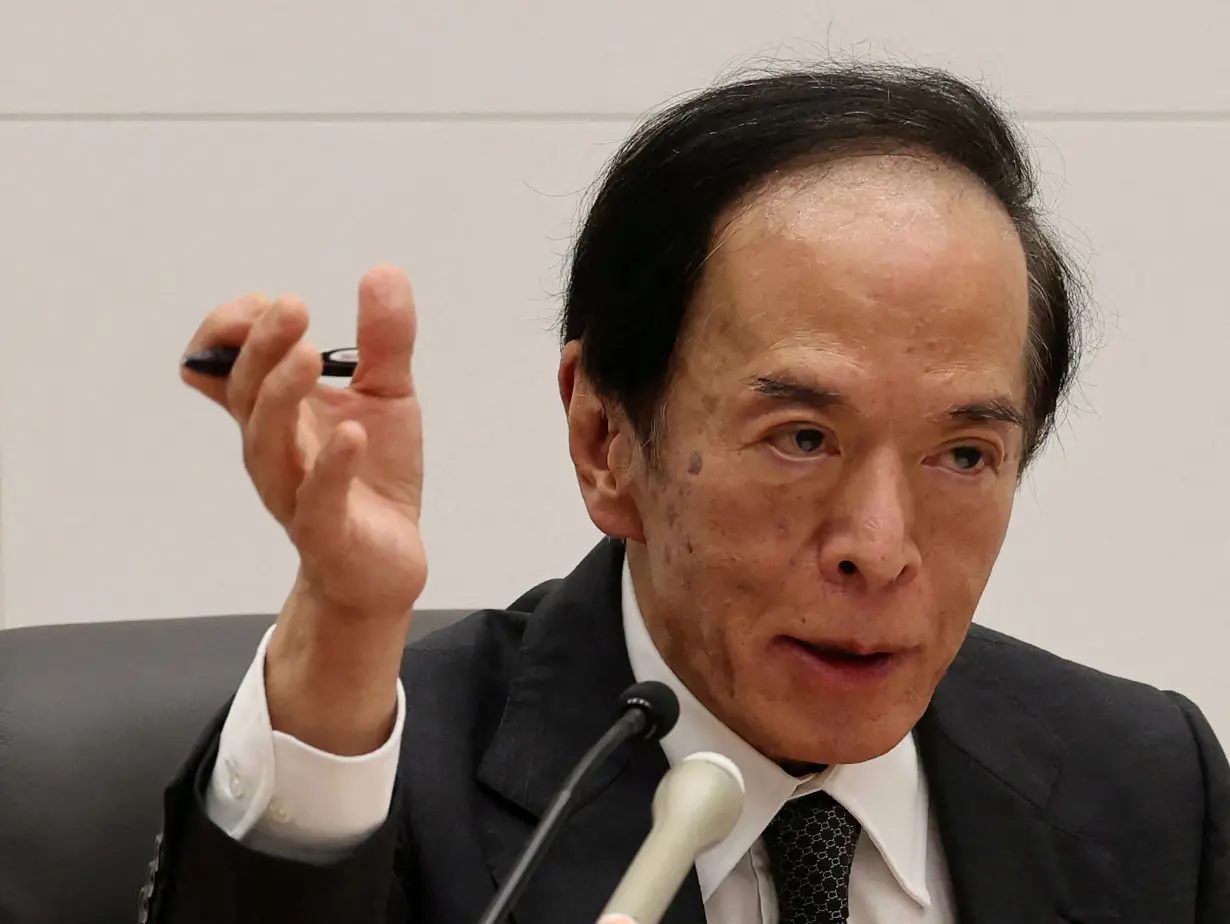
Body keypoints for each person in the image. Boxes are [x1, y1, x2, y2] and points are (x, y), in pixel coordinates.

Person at [144, 63, 1228, 924]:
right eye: (802, 437)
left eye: (963, 456)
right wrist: (341, 629)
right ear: (605, 437)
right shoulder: (410, 791)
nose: (880, 547)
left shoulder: (1142, 788)